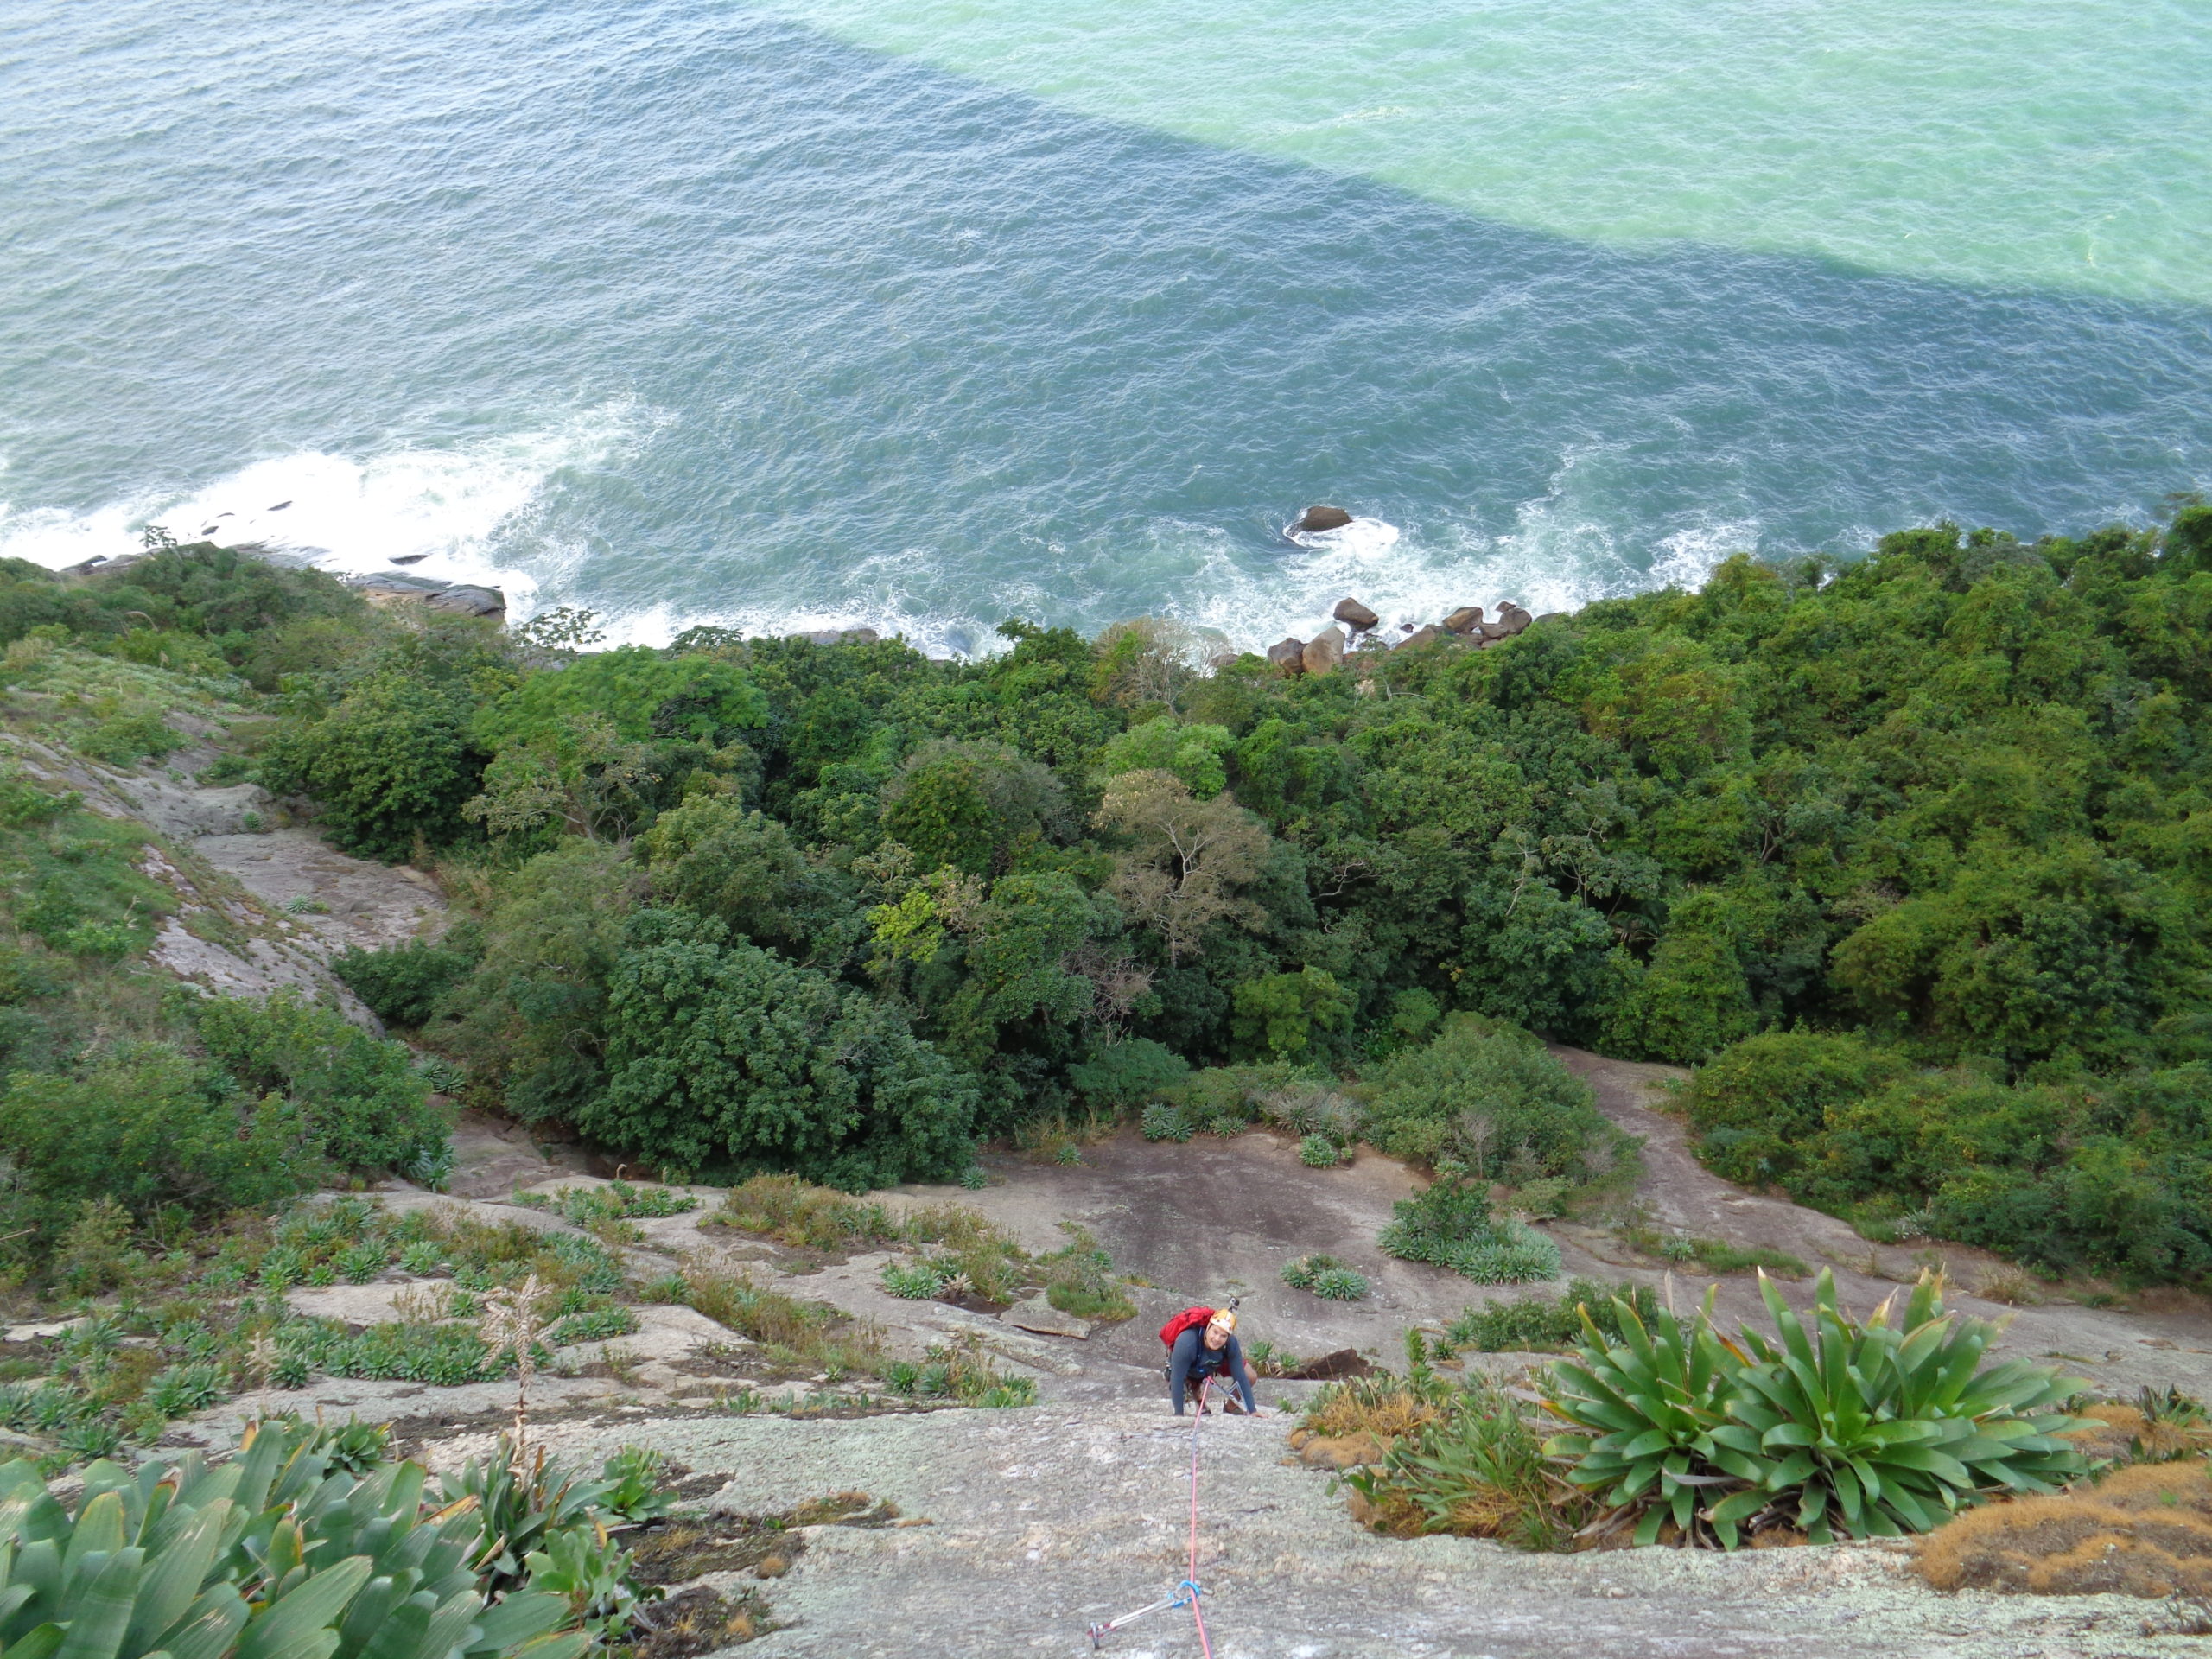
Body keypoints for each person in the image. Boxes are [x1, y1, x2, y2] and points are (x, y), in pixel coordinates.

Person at [1167, 1307, 1258, 1416]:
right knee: (1190, 1375)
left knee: (1250, 1375)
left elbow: (1241, 1377)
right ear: (1208, 1327)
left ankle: (1230, 1407)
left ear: (1228, 1337)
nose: (1217, 1339)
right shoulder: (1187, 1342)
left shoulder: (1231, 1344)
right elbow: (1177, 1379)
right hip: (1192, 1363)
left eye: (1223, 1336)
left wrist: (1252, 1410)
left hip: (1215, 1360)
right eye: (1215, 1332)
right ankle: (1198, 1398)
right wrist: (1179, 1414)